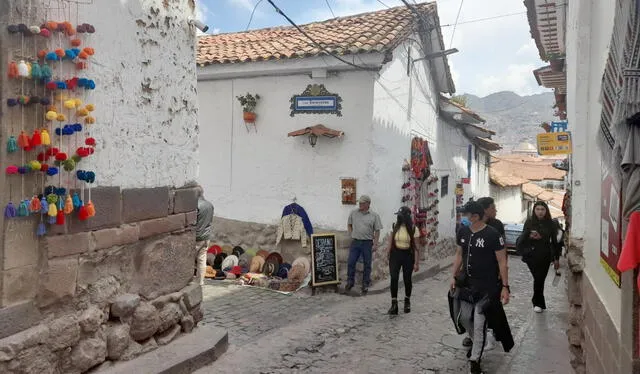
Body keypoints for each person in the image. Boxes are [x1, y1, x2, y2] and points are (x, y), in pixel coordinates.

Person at [450, 201, 512, 374]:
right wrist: (453, 276)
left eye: (466, 215)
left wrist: (505, 287)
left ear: (475, 216)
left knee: (479, 323)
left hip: (487, 287)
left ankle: (475, 360)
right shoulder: (463, 232)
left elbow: (502, 261)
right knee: (464, 318)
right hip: (467, 285)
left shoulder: (492, 235)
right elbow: (459, 254)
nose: (464, 217)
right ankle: (477, 340)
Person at [519, 201, 560, 313]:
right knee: (538, 278)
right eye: (538, 209)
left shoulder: (551, 224)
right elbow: (523, 237)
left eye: (542, 209)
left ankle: (537, 302)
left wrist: (556, 258)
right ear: (534, 210)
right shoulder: (529, 222)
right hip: (531, 255)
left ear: (546, 211)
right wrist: (530, 236)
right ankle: (538, 302)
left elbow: (555, 242)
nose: (540, 212)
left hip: (545, 255)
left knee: (540, 279)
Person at [386, 206, 420, 315]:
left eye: (401, 216)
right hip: (395, 254)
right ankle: (394, 303)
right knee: (394, 277)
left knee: (407, 279)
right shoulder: (394, 226)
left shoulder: (414, 229)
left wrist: (416, 263)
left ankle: (407, 300)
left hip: (407, 255)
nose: (399, 218)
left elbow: (416, 247)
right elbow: (390, 241)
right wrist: (388, 253)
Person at [346, 195, 383, 295]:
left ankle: (365, 284)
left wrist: (375, 244)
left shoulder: (374, 216)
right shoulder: (354, 213)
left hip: (367, 242)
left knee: (367, 264)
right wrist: (351, 234)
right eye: (360, 203)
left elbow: (377, 231)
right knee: (351, 262)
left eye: (362, 203)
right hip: (356, 241)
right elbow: (349, 224)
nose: (360, 204)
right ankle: (350, 281)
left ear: (368, 204)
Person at [195, 185, 214, 286]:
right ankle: (200, 282)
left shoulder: (195, 205)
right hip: (206, 237)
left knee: (189, 261)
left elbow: (193, 222)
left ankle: (187, 282)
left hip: (196, 237)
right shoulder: (210, 205)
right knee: (202, 260)